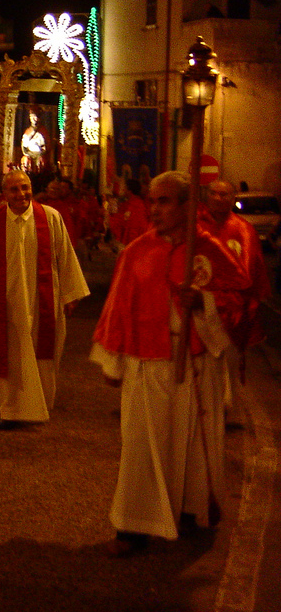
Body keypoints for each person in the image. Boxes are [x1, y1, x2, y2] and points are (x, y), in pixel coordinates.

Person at [90, 171, 250, 557]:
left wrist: (205, 305)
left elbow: (239, 298)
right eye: (152, 201)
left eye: (164, 201)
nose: (155, 209)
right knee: (142, 448)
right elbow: (117, 309)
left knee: (194, 443)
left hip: (196, 362)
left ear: (186, 206)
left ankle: (191, 508)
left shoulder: (208, 249)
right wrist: (114, 364)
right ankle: (134, 526)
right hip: (148, 365)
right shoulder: (136, 252)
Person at [0, 170, 89, 429]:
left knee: (45, 353)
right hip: (8, 303)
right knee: (12, 356)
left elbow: (65, 258)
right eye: (15, 189)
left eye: (25, 187)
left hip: (45, 301)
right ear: (4, 194)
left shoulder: (51, 218)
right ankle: (11, 411)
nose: (22, 194)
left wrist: (70, 294)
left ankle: (40, 406)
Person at [198, 179, 270, 399]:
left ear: (233, 198)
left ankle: (225, 407)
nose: (219, 199)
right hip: (198, 306)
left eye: (225, 195)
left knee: (225, 363)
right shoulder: (195, 226)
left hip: (231, 310)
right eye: (214, 193)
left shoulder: (244, 230)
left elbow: (250, 272)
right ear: (206, 195)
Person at [109, 179, 149, 249]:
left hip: (133, 243)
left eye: (124, 188)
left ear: (129, 191)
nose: (123, 190)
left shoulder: (135, 205)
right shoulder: (137, 204)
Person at [20, 109, 47, 173]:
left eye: (35, 117)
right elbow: (24, 145)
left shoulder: (42, 130)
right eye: (31, 117)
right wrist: (27, 153)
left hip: (39, 154)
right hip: (29, 154)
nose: (33, 119)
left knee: (41, 162)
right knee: (26, 160)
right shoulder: (28, 131)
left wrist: (41, 152)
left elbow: (45, 146)